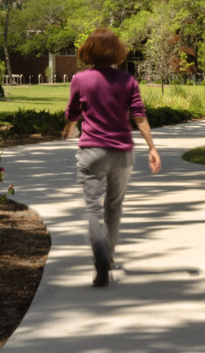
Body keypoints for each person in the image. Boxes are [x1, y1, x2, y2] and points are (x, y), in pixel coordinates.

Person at [63, 28, 161, 286]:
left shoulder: (80, 79)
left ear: (88, 51)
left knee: (92, 209)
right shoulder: (128, 81)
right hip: (121, 152)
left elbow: (73, 113)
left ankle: (100, 256)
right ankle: (109, 254)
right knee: (114, 207)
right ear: (117, 51)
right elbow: (139, 115)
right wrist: (152, 147)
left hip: (91, 151)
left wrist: (68, 129)